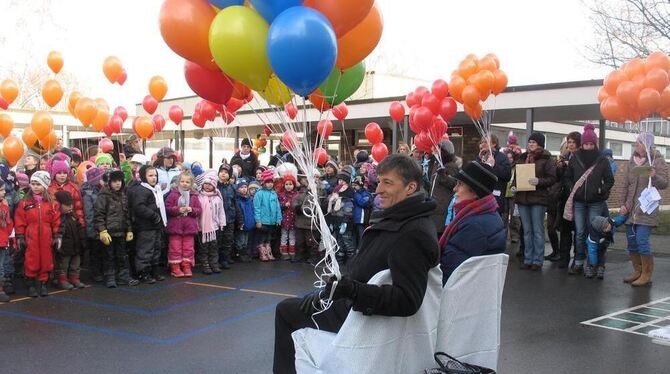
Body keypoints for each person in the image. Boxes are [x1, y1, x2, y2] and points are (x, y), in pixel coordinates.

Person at [273, 154, 439, 374]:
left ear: (410, 187)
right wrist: (335, 291)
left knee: (285, 311)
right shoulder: (401, 218)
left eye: (387, 183)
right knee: (298, 304)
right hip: (352, 302)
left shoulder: (413, 232)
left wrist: (352, 291)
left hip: (360, 316)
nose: (378, 189)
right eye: (379, 181)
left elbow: (408, 300)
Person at [439, 161, 505, 284]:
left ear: (475, 192)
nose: (454, 189)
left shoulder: (475, 225)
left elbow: (450, 271)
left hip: (460, 294)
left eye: (460, 184)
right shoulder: (486, 215)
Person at [619, 132, 668, 287]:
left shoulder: (658, 162)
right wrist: (622, 204)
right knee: (632, 242)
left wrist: (653, 175)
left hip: (646, 209)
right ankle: (637, 270)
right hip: (631, 209)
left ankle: (647, 274)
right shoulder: (631, 162)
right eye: (636, 142)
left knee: (641, 240)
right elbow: (625, 185)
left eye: (639, 142)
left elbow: (664, 184)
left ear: (647, 145)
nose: (636, 145)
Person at [563, 124, 614, 275]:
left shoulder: (602, 160)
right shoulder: (575, 158)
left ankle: (594, 263)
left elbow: (610, 180)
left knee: (594, 232)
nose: (589, 147)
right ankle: (578, 260)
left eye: (591, 144)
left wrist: (602, 191)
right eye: (586, 144)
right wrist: (572, 187)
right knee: (579, 232)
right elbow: (567, 177)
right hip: (579, 202)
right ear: (582, 144)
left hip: (596, 202)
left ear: (595, 144)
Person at [514, 132, 557, 271]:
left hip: (538, 199)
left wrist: (539, 181)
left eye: (534, 142)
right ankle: (528, 259)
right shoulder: (522, 158)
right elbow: (516, 176)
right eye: (530, 142)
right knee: (527, 231)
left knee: (537, 230)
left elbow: (552, 178)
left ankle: (537, 260)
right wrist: (514, 185)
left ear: (540, 144)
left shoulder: (546, 158)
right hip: (523, 198)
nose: (531, 144)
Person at [15, 171, 61, 297]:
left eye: (38, 184)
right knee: (32, 259)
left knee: (46, 259)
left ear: (45, 186)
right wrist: (19, 236)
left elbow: (56, 220)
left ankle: (43, 283)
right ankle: (31, 284)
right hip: (31, 235)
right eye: (33, 184)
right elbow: (20, 220)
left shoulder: (52, 203)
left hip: (46, 235)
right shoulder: (24, 203)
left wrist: (57, 235)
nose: (35, 187)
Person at [94, 170, 138, 288]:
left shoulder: (123, 195)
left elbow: (127, 214)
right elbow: (99, 214)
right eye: (114, 181)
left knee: (122, 256)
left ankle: (123, 277)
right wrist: (102, 231)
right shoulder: (103, 196)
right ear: (109, 183)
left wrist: (129, 230)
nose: (117, 184)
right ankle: (110, 278)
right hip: (108, 233)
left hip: (121, 232)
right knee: (109, 256)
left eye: (119, 181)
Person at [128, 165, 167, 284]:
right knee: (145, 250)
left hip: (156, 225)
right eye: (150, 175)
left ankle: (153, 271)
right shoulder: (141, 190)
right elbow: (139, 207)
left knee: (156, 249)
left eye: (155, 175)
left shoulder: (156, 189)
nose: (153, 178)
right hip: (145, 226)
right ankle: (143, 272)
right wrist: (153, 215)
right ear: (144, 176)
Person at [165, 171, 202, 278]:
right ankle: (175, 267)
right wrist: (177, 209)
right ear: (178, 182)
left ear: (191, 184)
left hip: (189, 228)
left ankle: (186, 266)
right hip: (175, 227)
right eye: (182, 181)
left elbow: (199, 210)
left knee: (188, 248)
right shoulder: (173, 194)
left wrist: (191, 209)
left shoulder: (194, 196)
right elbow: (167, 208)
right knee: (175, 247)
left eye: (187, 182)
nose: (184, 184)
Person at [556, 131, 581, 268]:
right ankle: (563, 258)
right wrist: (560, 167)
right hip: (565, 197)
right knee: (565, 229)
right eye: (569, 142)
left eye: (572, 142)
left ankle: (578, 258)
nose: (570, 145)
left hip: (577, 197)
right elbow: (559, 177)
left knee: (578, 230)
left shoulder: (582, 157)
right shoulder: (565, 156)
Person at [53, 191, 87, 290]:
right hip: (64, 247)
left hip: (75, 245)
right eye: (67, 205)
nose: (70, 207)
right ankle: (62, 280)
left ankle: (74, 278)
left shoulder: (73, 216)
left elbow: (79, 227)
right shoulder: (58, 218)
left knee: (75, 264)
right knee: (63, 265)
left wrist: (82, 239)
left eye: (71, 204)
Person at [427, 139, 460, 237]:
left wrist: (443, 176)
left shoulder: (451, 166)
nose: (435, 152)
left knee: (440, 235)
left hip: (443, 209)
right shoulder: (437, 165)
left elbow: (454, 184)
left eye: (438, 150)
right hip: (435, 207)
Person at [197, 172, 225, 274]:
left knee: (214, 247)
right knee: (204, 247)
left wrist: (222, 223)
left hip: (214, 227)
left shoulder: (217, 197)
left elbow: (221, 212)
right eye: (205, 183)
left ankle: (214, 263)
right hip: (202, 227)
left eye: (210, 184)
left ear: (214, 185)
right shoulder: (199, 196)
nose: (207, 186)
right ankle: (205, 264)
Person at [81, 167, 106, 282]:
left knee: (104, 251)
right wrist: (91, 232)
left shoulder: (104, 190)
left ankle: (104, 270)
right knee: (95, 252)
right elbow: (89, 214)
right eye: (101, 177)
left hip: (104, 227)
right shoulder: (88, 194)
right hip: (95, 229)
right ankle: (96, 272)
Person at [478, 135, 511, 215]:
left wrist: (494, 166)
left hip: (496, 198)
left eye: (485, 142)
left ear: (494, 144)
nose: (482, 144)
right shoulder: (480, 157)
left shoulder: (502, 157)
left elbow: (507, 175)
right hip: (481, 198)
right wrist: (478, 160)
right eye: (481, 142)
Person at [585, 215, 626, 280]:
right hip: (595, 243)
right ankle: (590, 267)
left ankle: (600, 268)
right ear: (601, 229)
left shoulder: (611, 223)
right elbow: (592, 251)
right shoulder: (593, 237)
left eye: (610, 227)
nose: (609, 230)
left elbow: (617, 220)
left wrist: (624, 217)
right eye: (607, 229)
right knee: (591, 255)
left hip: (604, 243)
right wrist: (594, 263)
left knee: (602, 255)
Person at [254, 170, 281, 262]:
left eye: (271, 182)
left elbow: (277, 207)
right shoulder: (259, 193)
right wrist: (258, 221)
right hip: (263, 220)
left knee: (269, 237)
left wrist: (278, 219)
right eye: (267, 182)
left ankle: (269, 252)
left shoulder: (274, 193)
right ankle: (262, 253)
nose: (270, 184)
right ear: (263, 183)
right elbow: (256, 208)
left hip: (272, 220)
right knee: (262, 237)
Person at [48, 160, 85, 226]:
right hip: (54, 222)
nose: (62, 175)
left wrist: (81, 223)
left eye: (64, 173)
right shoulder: (49, 188)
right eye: (59, 173)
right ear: (54, 174)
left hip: (71, 221)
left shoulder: (73, 187)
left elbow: (78, 207)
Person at [217, 164, 237, 268]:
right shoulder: (215, 186)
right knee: (218, 240)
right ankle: (217, 260)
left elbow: (235, 203)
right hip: (218, 220)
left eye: (226, 172)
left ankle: (225, 259)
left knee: (228, 240)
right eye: (221, 171)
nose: (223, 174)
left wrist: (238, 218)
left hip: (229, 218)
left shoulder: (232, 188)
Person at [278, 175, 299, 261]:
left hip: (293, 219)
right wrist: (284, 205)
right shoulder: (281, 195)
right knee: (284, 236)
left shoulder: (296, 195)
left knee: (292, 236)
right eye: (286, 184)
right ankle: (284, 253)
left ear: (294, 185)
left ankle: (292, 252)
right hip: (284, 219)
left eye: (290, 184)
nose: (288, 186)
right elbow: (278, 206)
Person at [234, 178, 255, 263]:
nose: (244, 189)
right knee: (240, 240)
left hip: (248, 223)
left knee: (246, 240)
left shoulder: (249, 199)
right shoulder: (237, 200)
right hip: (241, 223)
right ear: (237, 188)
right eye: (241, 187)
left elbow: (251, 211)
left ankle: (244, 253)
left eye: (245, 187)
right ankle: (239, 254)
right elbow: (238, 213)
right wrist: (240, 222)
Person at [0, 181, 13, 302]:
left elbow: (8, 224)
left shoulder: (4, 206)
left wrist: (7, 236)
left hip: (2, 241)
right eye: (1, 190)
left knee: (1, 267)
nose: (4, 192)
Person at [351, 175, 372, 249]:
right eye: (352, 185)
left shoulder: (365, 194)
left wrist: (356, 194)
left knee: (361, 236)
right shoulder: (352, 193)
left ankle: (361, 250)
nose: (353, 187)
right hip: (352, 219)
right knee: (353, 237)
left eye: (355, 185)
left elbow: (363, 202)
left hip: (361, 220)